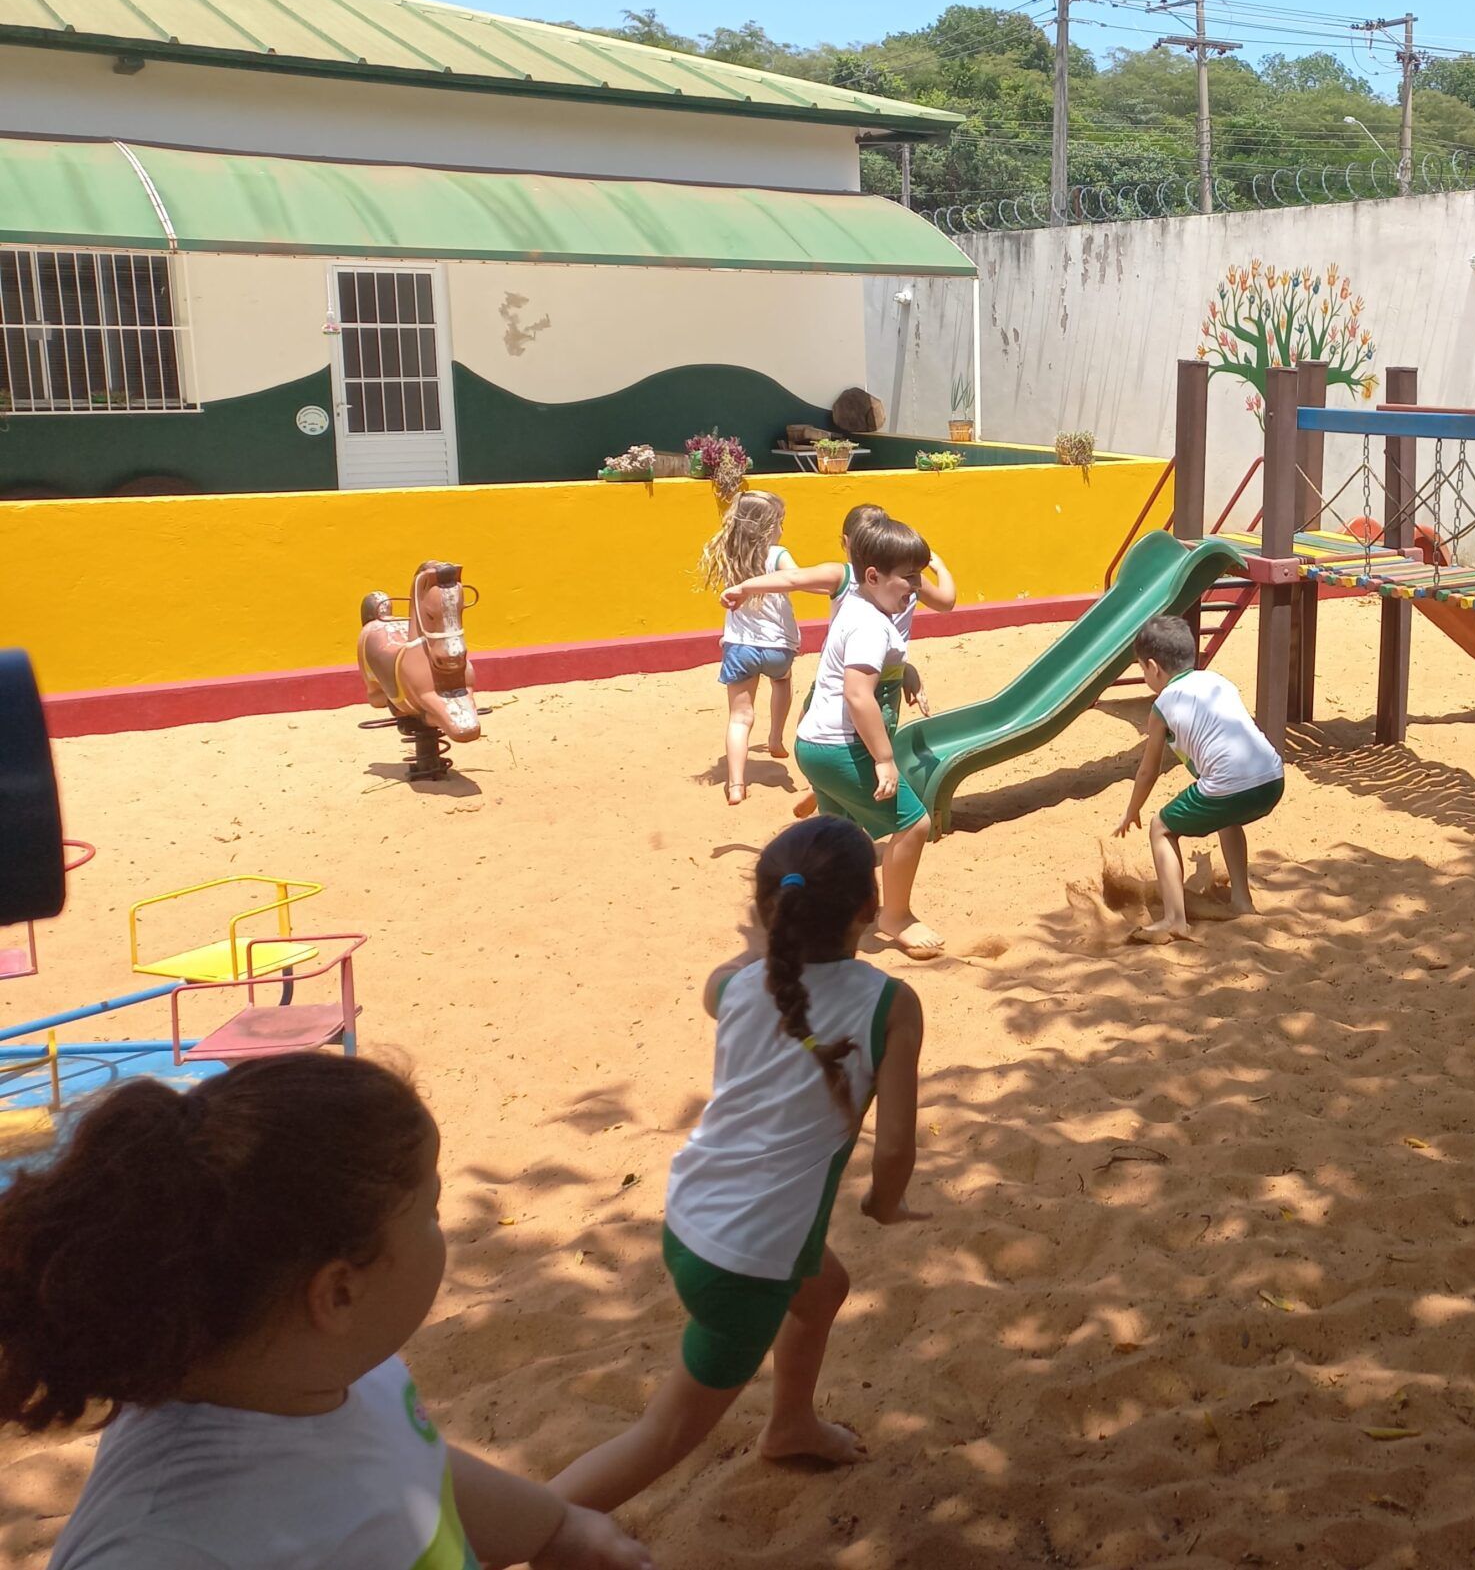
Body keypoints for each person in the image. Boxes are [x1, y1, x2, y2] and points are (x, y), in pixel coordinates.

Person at [0, 1052, 651, 1569]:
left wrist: (555, 1527)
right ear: (338, 1291)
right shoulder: (165, 1545)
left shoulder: (331, 1374)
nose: (440, 1227)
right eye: (429, 1209)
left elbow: (407, 1467)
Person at [552, 816, 927, 1514]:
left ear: (767, 911)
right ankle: (514, 1536)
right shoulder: (892, 1005)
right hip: (746, 1261)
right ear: (869, 911)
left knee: (822, 1288)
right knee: (659, 1435)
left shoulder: (736, 985)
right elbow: (898, 1146)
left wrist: (761, 941)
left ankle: (789, 1425)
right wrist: (885, 1203)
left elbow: (720, 982)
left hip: (693, 1214)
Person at [725, 505, 956, 826]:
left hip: (865, 670)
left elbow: (792, 578)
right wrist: (940, 568)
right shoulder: (889, 579)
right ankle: (828, 785)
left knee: (841, 728)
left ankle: (826, 786)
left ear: (846, 542)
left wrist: (745, 587)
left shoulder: (871, 577)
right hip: (872, 673)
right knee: (862, 735)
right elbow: (947, 601)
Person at [1114, 613, 1285, 941]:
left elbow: (1148, 770)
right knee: (1226, 814)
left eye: (1141, 668)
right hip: (1272, 778)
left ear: (1153, 667)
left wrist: (1132, 809)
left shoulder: (1162, 705)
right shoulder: (1217, 681)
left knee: (1160, 828)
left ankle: (1174, 920)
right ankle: (1241, 901)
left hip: (1231, 784)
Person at [700, 488, 798, 806]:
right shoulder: (779, 554)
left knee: (739, 718)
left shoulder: (732, 557)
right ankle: (775, 737)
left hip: (740, 648)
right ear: (768, 527)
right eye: (780, 522)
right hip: (777, 648)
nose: (782, 528)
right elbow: (797, 579)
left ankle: (737, 784)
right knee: (782, 681)